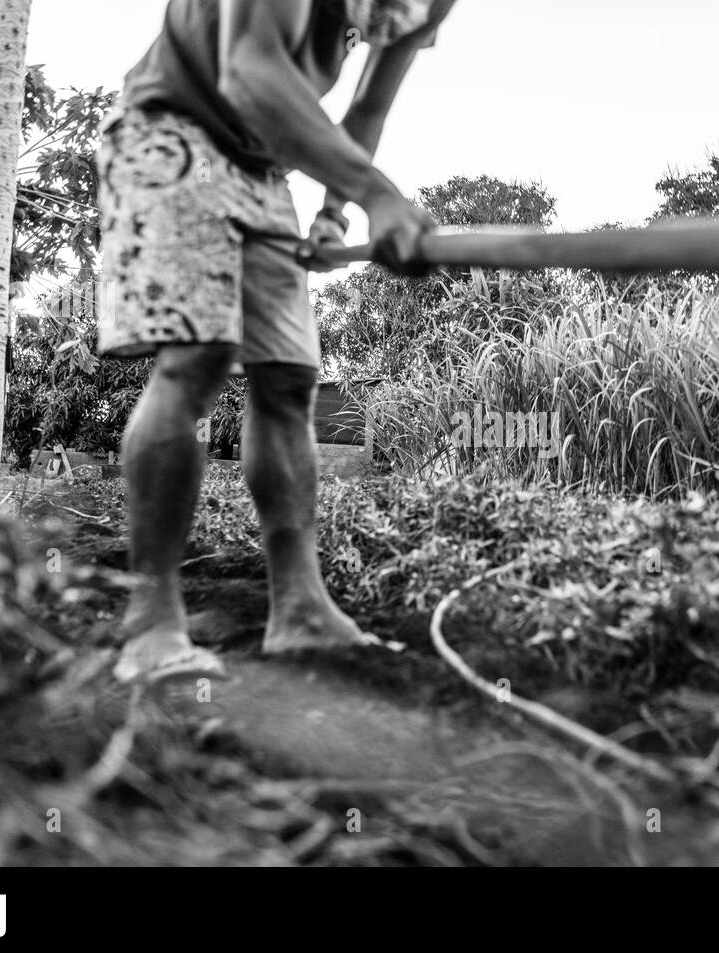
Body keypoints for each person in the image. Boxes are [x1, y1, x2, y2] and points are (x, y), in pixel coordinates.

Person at [96, 0, 455, 683]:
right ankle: (151, 622)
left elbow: (367, 110)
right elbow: (250, 72)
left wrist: (334, 211)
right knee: (196, 358)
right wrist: (379, 194)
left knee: (290, 379)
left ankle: (300, 609)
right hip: (169, 129)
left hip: (265, 167)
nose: (387, 21)